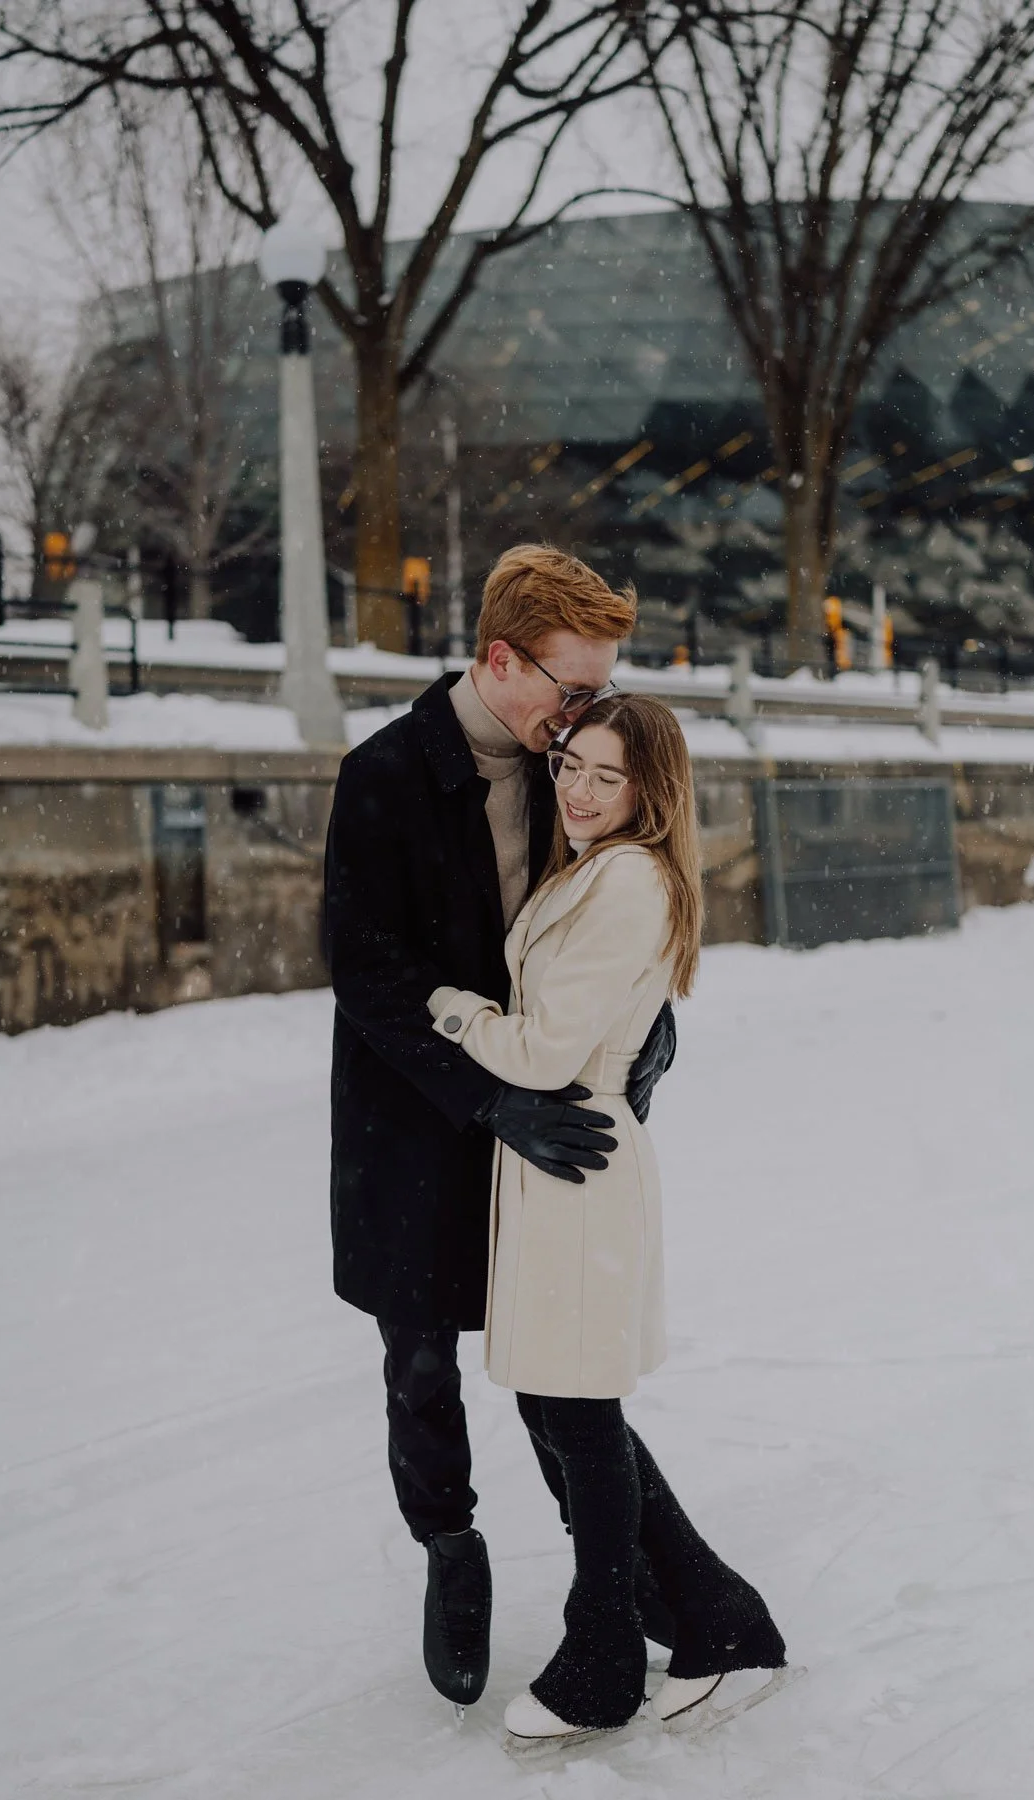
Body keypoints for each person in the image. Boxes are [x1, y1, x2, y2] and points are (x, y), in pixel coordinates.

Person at [322, 546, 677, 1709]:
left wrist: (649, 1026)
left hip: (543, 1108)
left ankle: (633, 1587)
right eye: (571, 691)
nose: (583, 722)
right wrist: (489, 1098)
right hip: (417, 1116)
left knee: (558, 1376)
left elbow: (615, 896)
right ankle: (450, 1548)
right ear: (498, 660)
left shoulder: (559, 765)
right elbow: (368, 976)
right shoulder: (382, 775)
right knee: (420, 1358)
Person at [425, 694, 787, 1749]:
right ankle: (717, 1617)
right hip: (553, 1162)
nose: (577, 792)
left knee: (576, 1419)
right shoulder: (593, 864)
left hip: (575, 1160)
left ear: (649, 791)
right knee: (561, 1411)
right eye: (569, 767)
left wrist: (452, 1009)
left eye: (604, 777)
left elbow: (539, 1052)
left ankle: (606, 1652)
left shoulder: (629, 877)